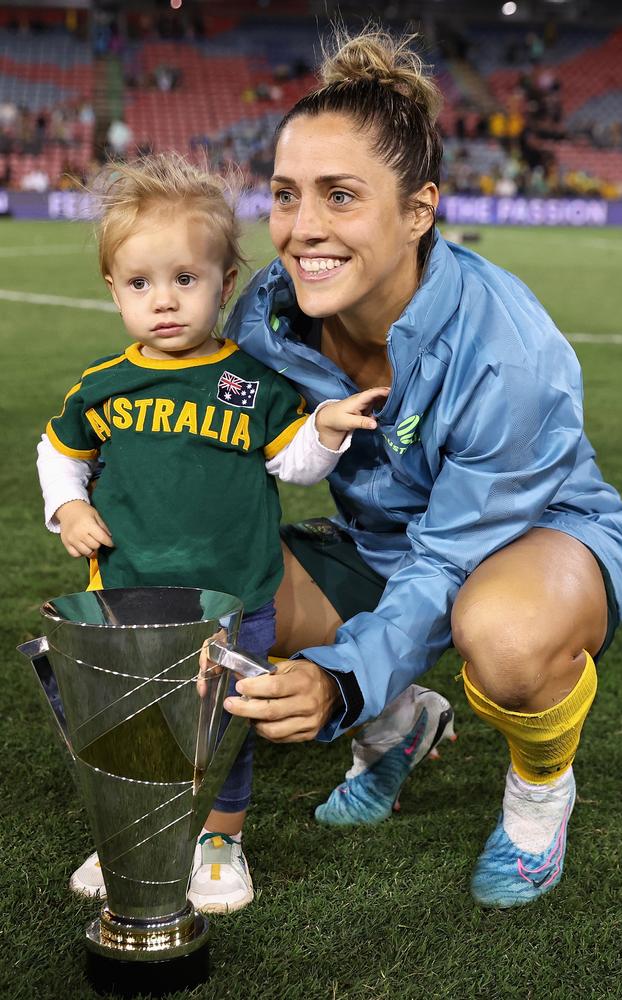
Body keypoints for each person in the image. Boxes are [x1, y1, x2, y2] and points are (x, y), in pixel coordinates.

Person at [212, 27, 622, 909]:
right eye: (286, 196)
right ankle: (401, 726)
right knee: (223, 574)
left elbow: (447, 558)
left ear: (420, 210)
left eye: (340, 197)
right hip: (380, 542)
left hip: (530, 541)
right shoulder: (266, 317)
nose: (302, 231)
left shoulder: (508, 352)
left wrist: (339, 681)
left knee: (505, 636)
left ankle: (538, 796)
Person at [36, 153, 388, 914]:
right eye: (140, 284)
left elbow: (291, 464)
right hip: (127, 597)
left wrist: (321, 429)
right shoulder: (102, 386)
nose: (163, 302)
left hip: (236, 595)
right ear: (113, 289)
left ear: (226, 283)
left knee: (225, 722)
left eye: (185, 280)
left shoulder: (252, 385)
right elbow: (59, 450)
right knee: (135, 721)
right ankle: (133, 827)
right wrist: (66, 508)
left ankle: (222, 837)